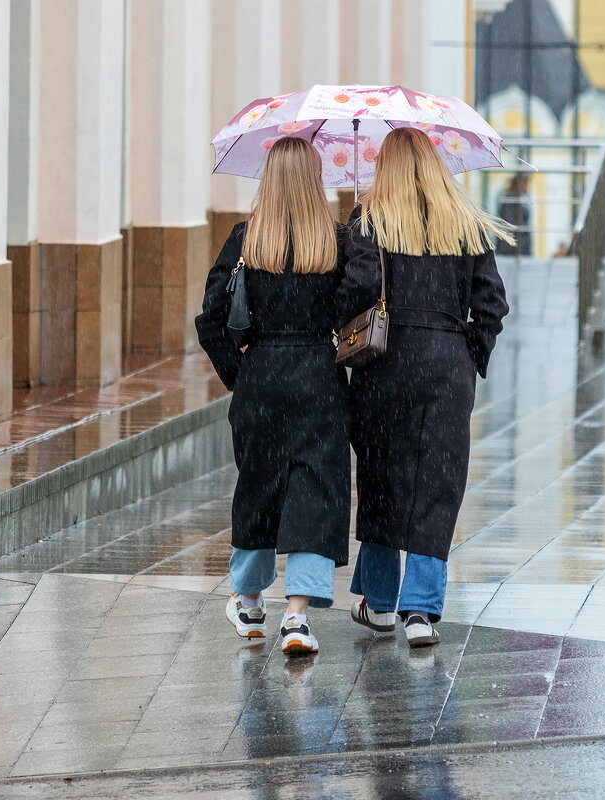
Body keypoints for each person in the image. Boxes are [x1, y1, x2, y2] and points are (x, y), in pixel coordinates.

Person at [338, 127, 511, 648]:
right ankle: (422, 611)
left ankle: (382, 603)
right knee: (438, 482)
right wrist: (467, 354)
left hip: (384, 363)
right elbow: (492, 306)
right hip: (446, 363)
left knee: (382, 476)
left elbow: (358, 290)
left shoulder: (370, 220)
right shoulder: (467, 224)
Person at [195, 137, 349, 657]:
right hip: (318, 378)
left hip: (261, 373)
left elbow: (210, 319)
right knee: (315, 490)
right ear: (315, 180)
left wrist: (240, 374)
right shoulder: (335, 241)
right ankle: (298, 616)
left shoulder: (245, 239)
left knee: (258, 485)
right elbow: (355, 308)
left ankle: (248, 597)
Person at [495, 173, 532, 256]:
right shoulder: (511, 198)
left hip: (518, 244)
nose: (527, 187)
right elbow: (508, 221)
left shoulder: (519, 197)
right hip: (512, 246)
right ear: (520, 184)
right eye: (526, 184)